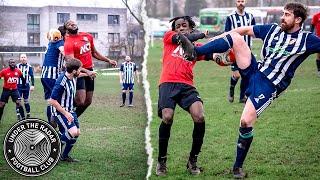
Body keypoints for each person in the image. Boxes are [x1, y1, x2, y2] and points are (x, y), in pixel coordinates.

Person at [180, 2, 320, 178]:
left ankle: (237, 168)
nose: (282, 18)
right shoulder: (273, 29)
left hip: (269, 85)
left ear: (298, 19)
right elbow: (243, 31)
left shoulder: (307, 40)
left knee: (245, 122)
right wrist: (216, 39)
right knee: (236, 37)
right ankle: (195, 52)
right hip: (255, 71)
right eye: (283, 13)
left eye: (287, 15)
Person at [156, 16, 213, 176]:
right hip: (168, 83)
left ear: (190, 27)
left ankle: (192, 160)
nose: (180, 28)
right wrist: (201, 34)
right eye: (178, 26)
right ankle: (161, 161)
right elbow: (183, 38)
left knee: (199, 116)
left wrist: (228, 56)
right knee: (167, 117)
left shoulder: (195, 48)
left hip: (187, 86)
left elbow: (211, 53)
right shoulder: (169, 37)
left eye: (184, 25)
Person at [63, 20, 117, 117]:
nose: (72, 24)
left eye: (73, 22)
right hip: (78, 72)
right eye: (69, 24)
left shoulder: (87, 36)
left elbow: (94, 53)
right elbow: (71, 62)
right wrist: (86, 71)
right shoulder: (68, 42)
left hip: (89, 71)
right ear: (67, 30)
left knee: (88, 101)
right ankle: (63, 108)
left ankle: (71, 119)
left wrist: (108, 60)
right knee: (80, 101)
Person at [48, 58, 84, 162]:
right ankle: (53, 151)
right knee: (72, 132)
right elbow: (52, 101)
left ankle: (64, 156)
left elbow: (80, 75)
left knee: (77, 132)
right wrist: (66, 113)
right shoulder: (61, 82)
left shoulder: (73, 76)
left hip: (70, 110)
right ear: (73, 71)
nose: (80, 71)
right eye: (79, 70)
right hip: (60, 111)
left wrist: (89, 74)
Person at [225, 0, 256, 103]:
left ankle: (242, 97)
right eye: (238, 1)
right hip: (234, 50)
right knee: (237, 75)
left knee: (246, 75)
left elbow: (254, 31)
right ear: (235, 2)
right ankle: (231, 89)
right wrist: (228, 48)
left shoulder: (250, 16)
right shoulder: (230, 17)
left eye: (242, 1)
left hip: (247, 50)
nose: (240, 3)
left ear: (245, 2)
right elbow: (227, 33)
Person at [41, 28, 65, 124]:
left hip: (44, 75)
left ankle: (50, 120)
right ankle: (54, 119)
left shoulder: (50, 43)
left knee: (49, 99)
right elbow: (64, 52)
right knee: (56, 98)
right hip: (52, 75)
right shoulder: (59, 42)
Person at [16, 54, 34, 118]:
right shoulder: (16, 66)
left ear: (26, 58)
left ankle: (28, 113)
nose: (23, 58)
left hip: (26, 86)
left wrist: (32, 85)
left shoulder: (29, 66)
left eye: (24, 57)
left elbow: (32, 76)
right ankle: (18, 114)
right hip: (18, 86)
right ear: (20, 58)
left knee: (26, 100)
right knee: (18, 100)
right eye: (22, 57)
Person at [311, 11, 320, 77]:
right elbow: (312, 26)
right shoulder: (316, 16)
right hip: (319, 39)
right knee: (319, 55)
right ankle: (319, 70)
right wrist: (310, 35)